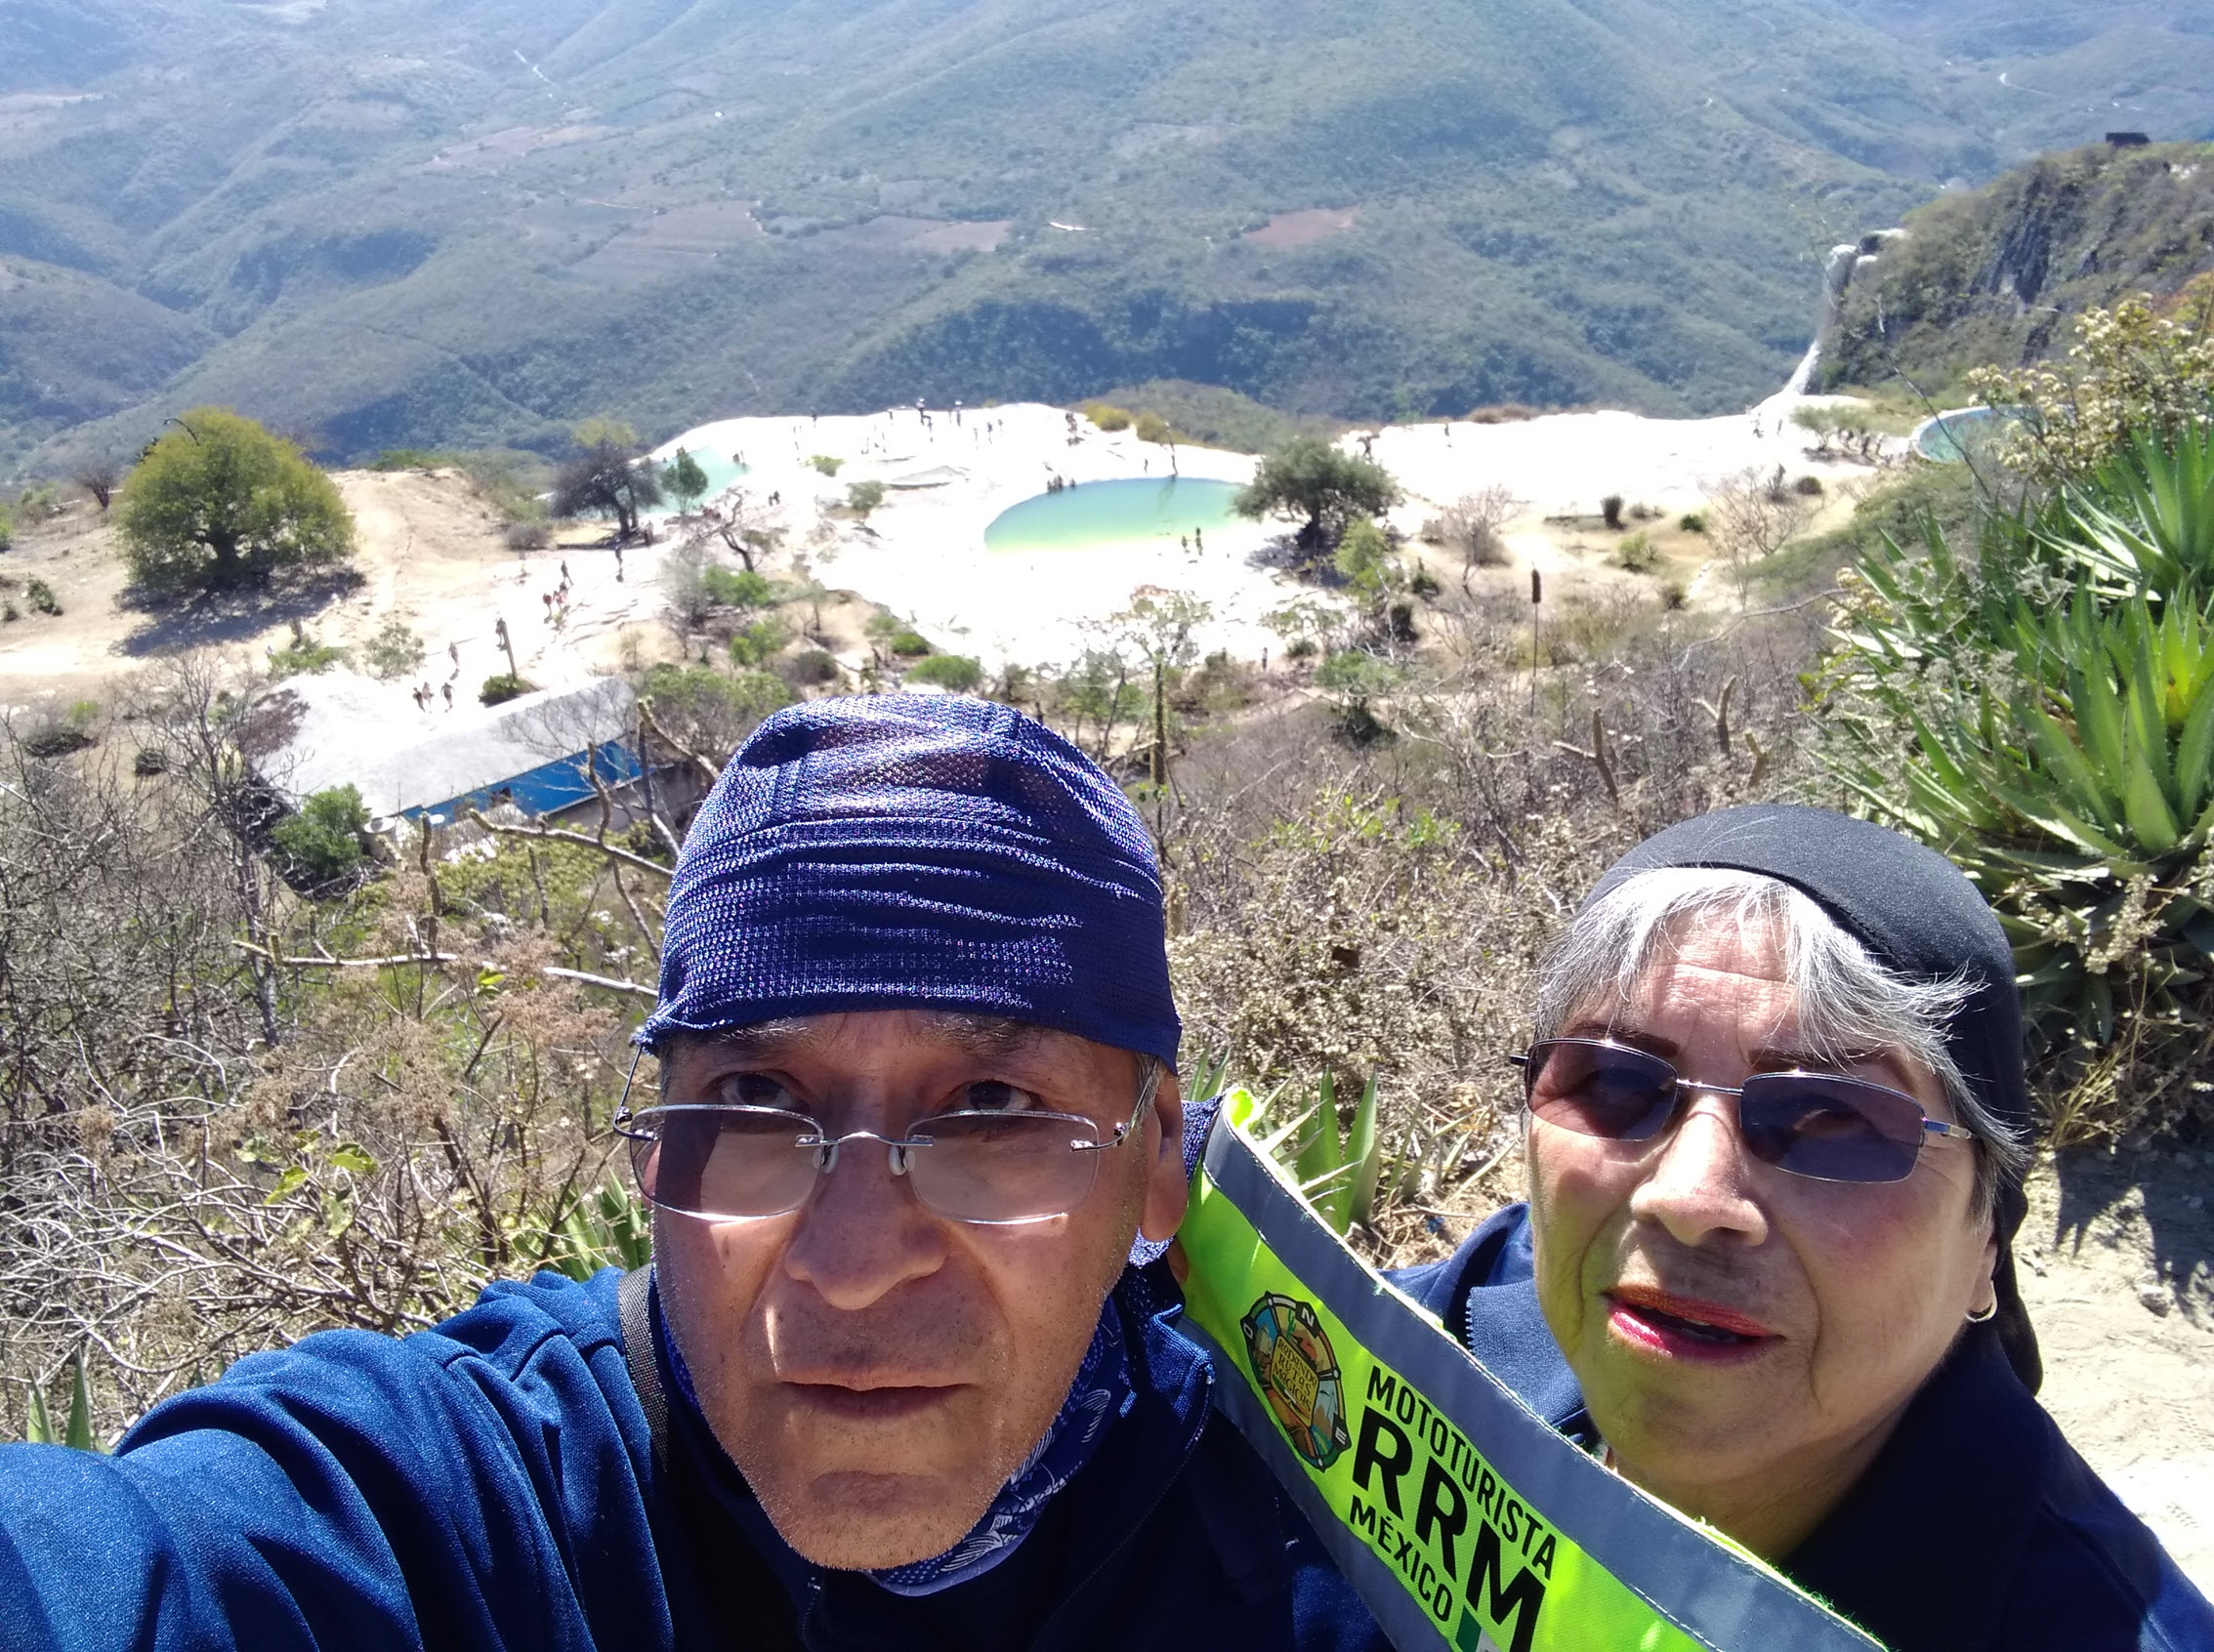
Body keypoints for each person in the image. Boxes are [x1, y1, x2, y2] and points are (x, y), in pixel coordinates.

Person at [0, 696, 1386, 1652]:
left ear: (1155, 1163)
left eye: (987, 1108)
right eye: (755, 1102)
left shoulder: (1331, 1532)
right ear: (658, 1145)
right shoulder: (480, 1513)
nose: (849, 1261)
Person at [1397, 805, 2214, 1652]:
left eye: (1832, 1117)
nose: (1685, 1197)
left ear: (1983, 1245)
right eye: (1612, 1082)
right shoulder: (1460, 1324)